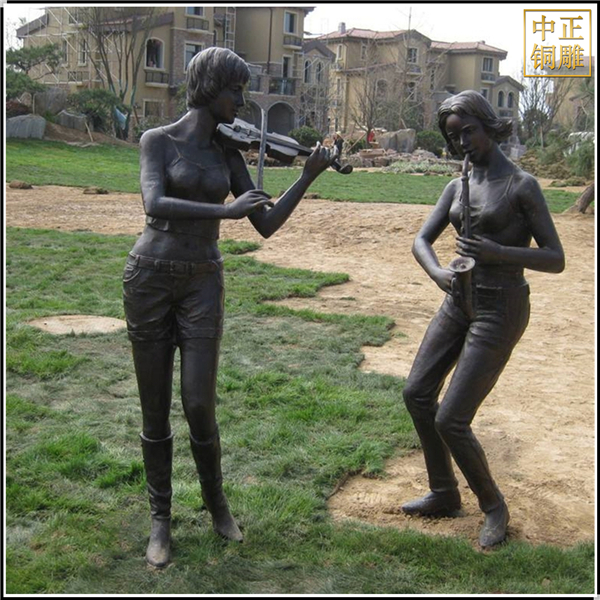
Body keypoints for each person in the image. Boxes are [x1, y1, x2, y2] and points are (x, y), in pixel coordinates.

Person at [123, 47, 336, 568]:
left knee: (199, 403)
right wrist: (225, 211)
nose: (242, 102)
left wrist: (308, 176)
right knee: (155, 408)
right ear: (209, 89)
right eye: (235, 91)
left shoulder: (228, 154)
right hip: (150, 278)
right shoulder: (158, 141)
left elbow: (264, 223)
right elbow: (154, 203)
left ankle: (217, 505)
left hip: (203, 281)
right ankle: (160, 520)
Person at [401, 90, 565, 548]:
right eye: (454, 138)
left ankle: (493, 506)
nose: (462, 144)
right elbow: (421, 240)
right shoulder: (458, 185)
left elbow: (555, 258)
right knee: (417, 394)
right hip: (459, 299)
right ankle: (443, 491)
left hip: (501, 307)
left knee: (452, 418)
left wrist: (498, 252)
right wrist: (439, 274)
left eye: (468, 132)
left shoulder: (522, 186)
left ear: (488, 126)